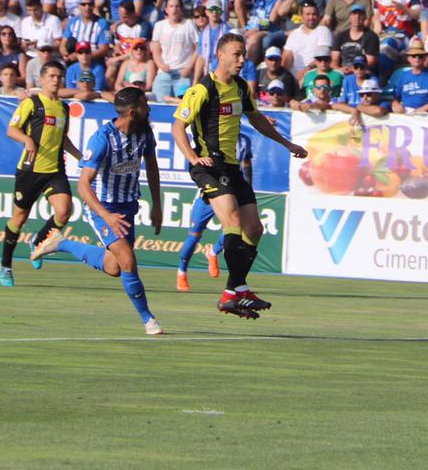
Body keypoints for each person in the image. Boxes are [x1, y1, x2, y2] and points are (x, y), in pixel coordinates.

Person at [171, 32, 307, 319]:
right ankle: (236, 290)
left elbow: (257, 119)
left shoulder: (242, 87)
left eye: (244, 54)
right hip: (209, 167)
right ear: (220, 55)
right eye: (237, 54)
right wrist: (194, 157)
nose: (242, 59)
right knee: (232, 220)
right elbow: (177, 127)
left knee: (255, 229)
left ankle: (234, 291)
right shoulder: (202, 89)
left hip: (231, 167)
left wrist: (287, 144)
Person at [30, 86, 164, 335]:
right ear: (134, 112)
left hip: (127, 208)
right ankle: (149, 320)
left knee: (114, 267)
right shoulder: (103, 138)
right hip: (103, 208)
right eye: (145, 105)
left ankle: (61, 243)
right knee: (127, 260)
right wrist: (105, 215)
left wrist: (157, 205)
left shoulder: (144, 133)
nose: (150, 109)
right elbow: (83, 184)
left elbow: (153, 168)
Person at [0, 61, 81, 287]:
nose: (55, 80)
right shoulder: (31, 104)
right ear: (42, 80)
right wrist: (26, 140)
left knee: (64, 212)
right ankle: (5, 265)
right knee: (19, 218)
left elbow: (63, 139)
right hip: (30, 170)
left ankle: (38, 239)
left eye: (59, 77)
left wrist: (81, 157)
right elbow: (11, 129)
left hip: (55, 170)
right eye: (51, 76)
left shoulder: (64, 108)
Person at [174, 134, 250, 292]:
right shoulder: (209, 140)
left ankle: (213, 252)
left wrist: (247, 189)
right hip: (208, 195)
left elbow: (247, 165)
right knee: (194, 235)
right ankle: (181, 271)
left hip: (232, 190)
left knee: (236, 227)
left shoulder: (243, 141)